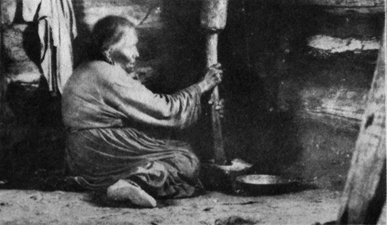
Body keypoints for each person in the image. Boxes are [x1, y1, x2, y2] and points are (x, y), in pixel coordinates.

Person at [62, 15, 223, 208]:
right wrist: (202, 86)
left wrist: (200, 98)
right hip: (98, 149)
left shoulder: (90, 69)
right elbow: (163, 110)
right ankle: (130, 183)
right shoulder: (108, 74)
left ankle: (128, 183)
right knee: (185, 159)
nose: (136, 53)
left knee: (174, 149)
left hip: (80, 153)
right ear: (108, 50)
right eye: (130, 46)